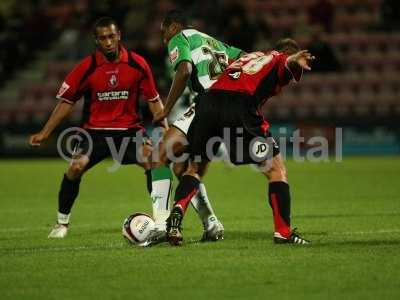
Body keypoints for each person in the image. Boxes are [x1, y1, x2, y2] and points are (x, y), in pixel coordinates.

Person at [28, 17, 168, 241]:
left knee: (153, 161)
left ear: (119, 35)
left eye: (112, 36)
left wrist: (167, 130)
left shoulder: (137, 63)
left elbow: (153, 99)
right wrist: (45, 132)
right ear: (96, 40)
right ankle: (61, 223)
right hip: (94, 132)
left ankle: (162, 221)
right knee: (75, 167)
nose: (109, 42)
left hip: (129, 131)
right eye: (103, 38)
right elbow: (67, 102)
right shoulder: (87, 67)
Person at [166, 38, 314, 246]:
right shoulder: (277, 57)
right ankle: (283, 232)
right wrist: (293, 59)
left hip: (208, 102)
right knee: (276, 170)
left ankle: (177, 214)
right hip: (239, 105)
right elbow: (286, 62)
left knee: (195, 169)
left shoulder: (248, 58)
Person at [149, 10, 244, 242]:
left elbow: (185, 71)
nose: (164, 39)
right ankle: (211, 224)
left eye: (164, 32)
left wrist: (166, 109)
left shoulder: (179, 38)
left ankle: (161, 224)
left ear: (174, 27)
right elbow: (246, 59)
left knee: (160, 156)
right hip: (229, 109)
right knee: (184, 170)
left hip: (206, 104)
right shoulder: (213, 41)